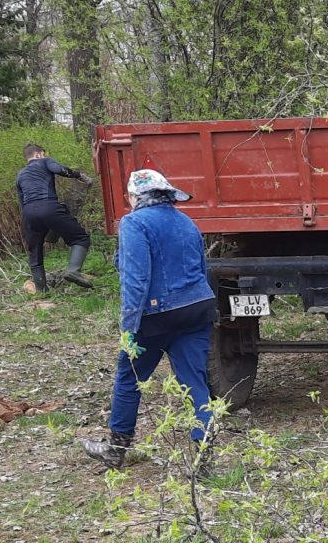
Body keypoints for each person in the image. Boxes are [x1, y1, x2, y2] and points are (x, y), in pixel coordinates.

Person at [81, 169, 216, 469]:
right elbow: (201, 267)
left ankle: (116, 449)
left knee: (130, 377)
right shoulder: (186, 221)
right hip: (198, 308)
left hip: (158, 314)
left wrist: (129, 328)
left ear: (135, 196)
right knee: (194, 380)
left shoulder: (134, 223)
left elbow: (135, 278)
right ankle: (204, 456)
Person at [16, 143, 95, 293]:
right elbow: (59, 169)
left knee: (35, 252)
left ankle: (41, 290)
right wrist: (80, 176)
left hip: (29, 212)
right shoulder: (45, 161)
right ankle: (73, 271)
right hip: (49, 207)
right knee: (81, 238)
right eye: (43, 154)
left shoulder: (20, 174)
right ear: (38, 154)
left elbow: (22, 200)